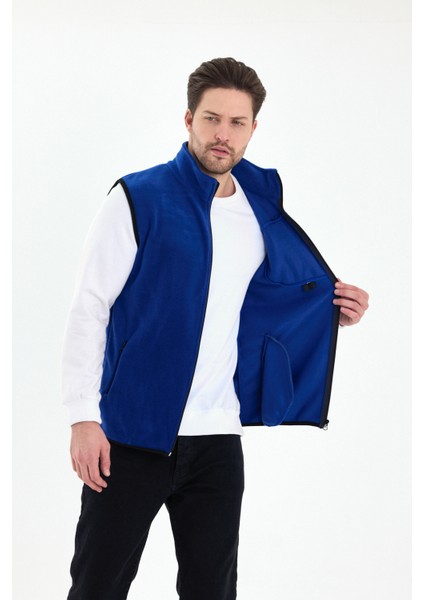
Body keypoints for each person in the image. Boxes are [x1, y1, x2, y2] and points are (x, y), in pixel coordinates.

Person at [62, 57, 369, 600]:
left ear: (253, 129)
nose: (222, 134)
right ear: (188, 119)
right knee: (97, 586)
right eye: (211, 119)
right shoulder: (137, 197)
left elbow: (269, 296)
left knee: (213, 591)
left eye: (236, 122)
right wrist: (83, 416)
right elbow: (90, 306)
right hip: (131, 433)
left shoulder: (259, 210)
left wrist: (332, 307)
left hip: (218, 437)